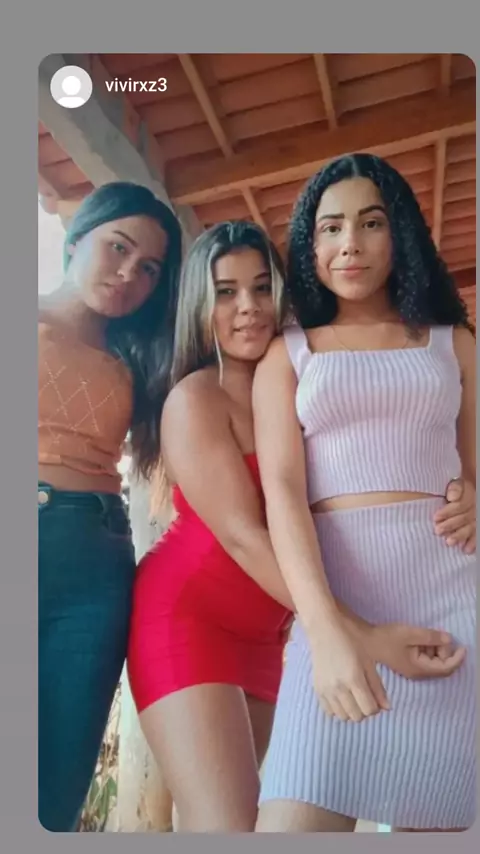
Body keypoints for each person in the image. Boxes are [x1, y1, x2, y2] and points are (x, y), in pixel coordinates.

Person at [127, 220, 474, 833]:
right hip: (190, 619)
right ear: (200, 306)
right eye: (226, 292)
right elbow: (245, 537)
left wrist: (465, 485)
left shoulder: (305, 378)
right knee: (226, 826)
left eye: (263, 287)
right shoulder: (195, 398)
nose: (249, 307)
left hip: (272, 632)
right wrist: (354, 634)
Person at [252, 153, 476, 833]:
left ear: (399, 234)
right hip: (337, 611)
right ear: (310, 244)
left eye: (371, 223)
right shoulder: (288, 352)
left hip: (452, 610)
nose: (350, 243)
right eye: (331, 228)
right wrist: (326, 631)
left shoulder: (454, 343)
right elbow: (282, 496)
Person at [38, 181, 183, 832]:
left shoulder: (141, 359)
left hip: (97, 561)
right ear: (76, 239)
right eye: (118, 248)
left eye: (149, 268)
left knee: (58, 775)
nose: (129, 274)